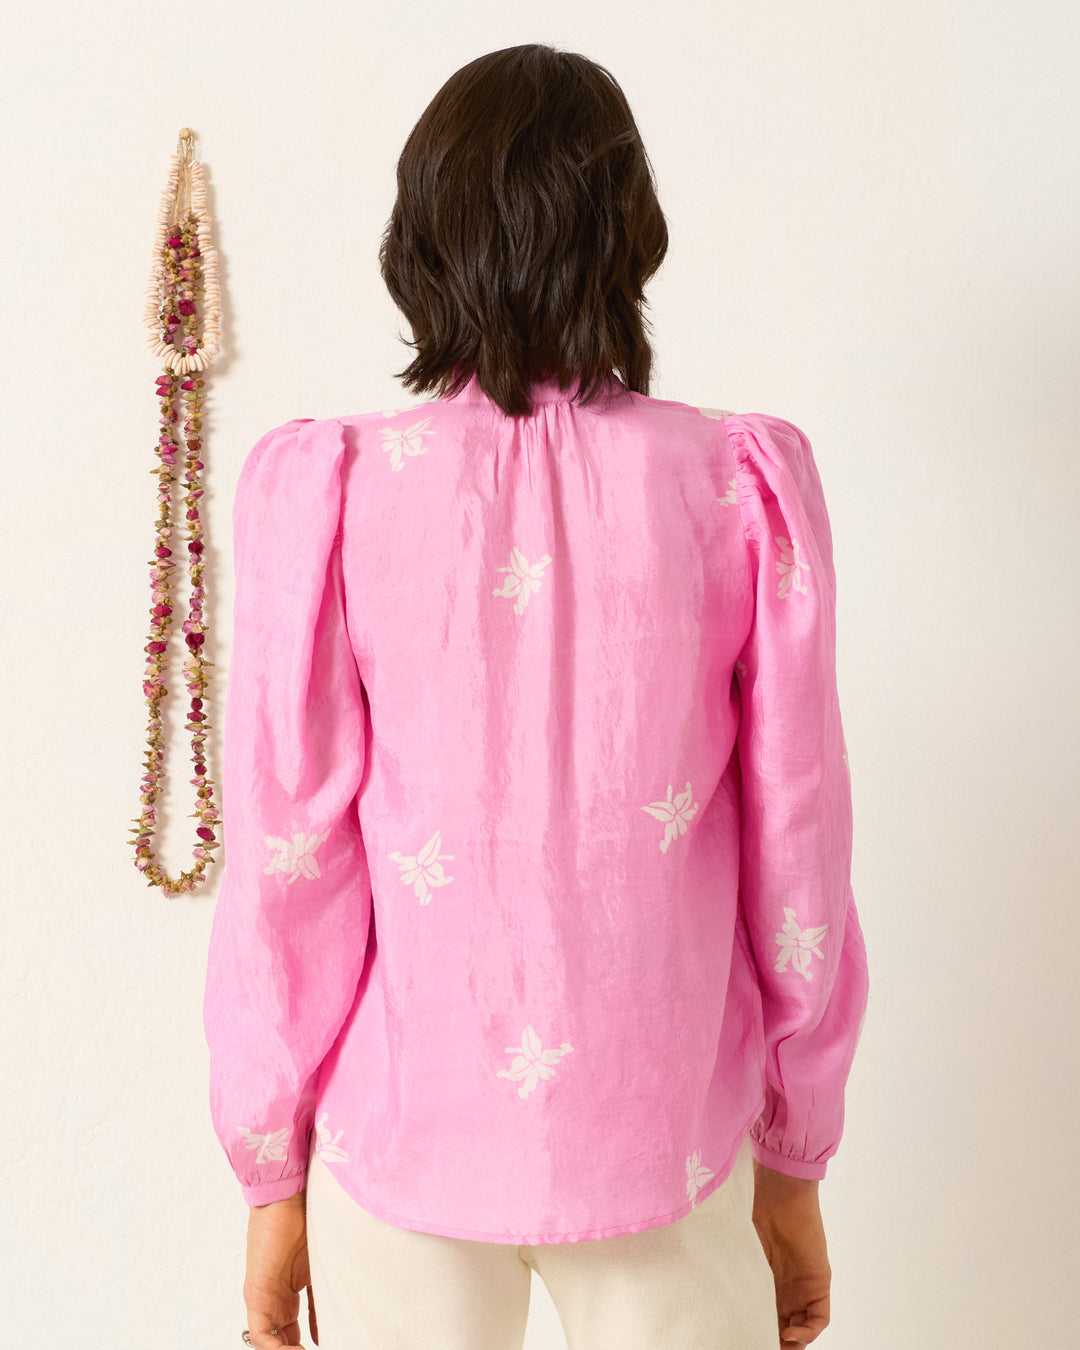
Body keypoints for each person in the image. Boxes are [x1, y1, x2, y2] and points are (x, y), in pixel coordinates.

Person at [203, 42, 870, 1350]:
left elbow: (292, 863)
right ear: (633, 232)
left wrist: (270, 1168)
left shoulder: (339, 496)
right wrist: (795, 1149)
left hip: (396, 1143)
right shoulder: (733, 487)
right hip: (669, 1137)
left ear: (420, 237)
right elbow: (802, 844)